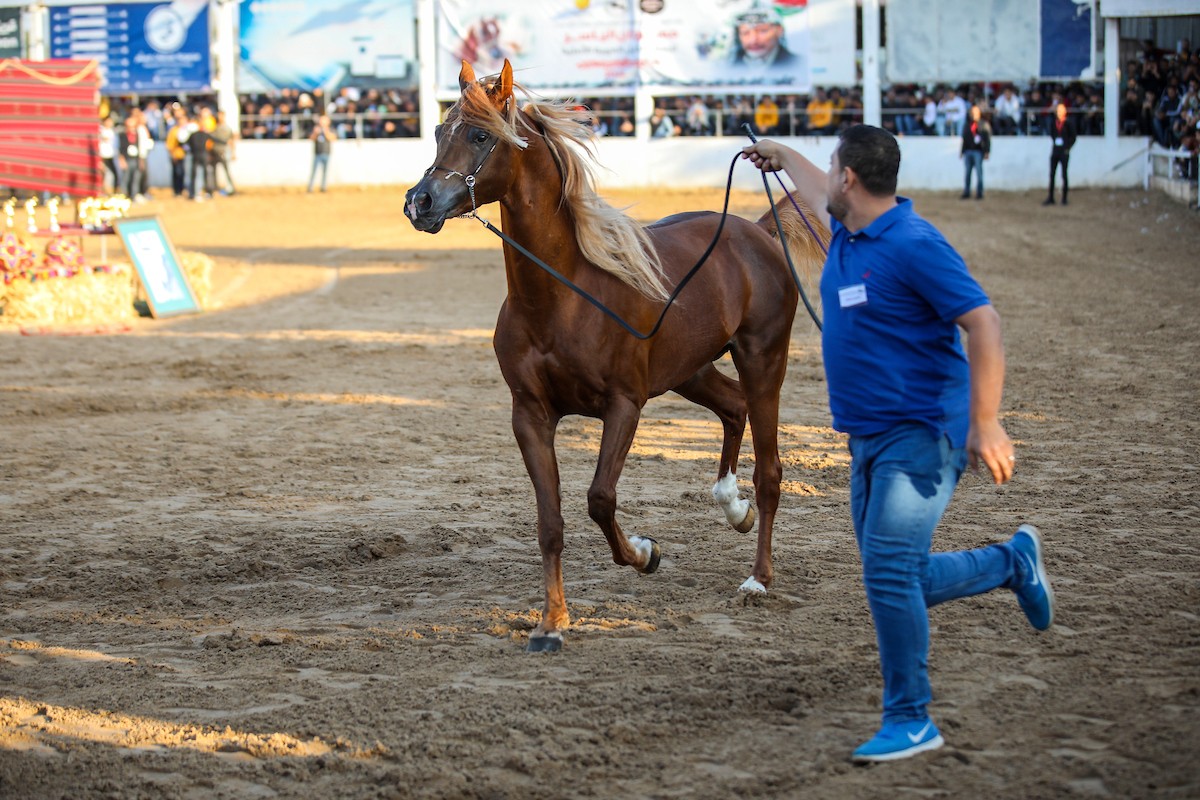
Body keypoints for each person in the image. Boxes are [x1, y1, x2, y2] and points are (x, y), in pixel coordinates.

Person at [741, 125, 1054, 764]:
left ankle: (910, 717)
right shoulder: (850, 236)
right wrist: (779, 154)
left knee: (887, 572)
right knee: (898, 575)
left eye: (831, 170)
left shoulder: (913, 244)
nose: (823, 179)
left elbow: (983, 321)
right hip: (868, 439)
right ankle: (1012, 562)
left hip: (925, 434)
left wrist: (986, 422)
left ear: (849, 180)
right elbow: (809, 187)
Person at [729, 2, 797, 67]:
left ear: (779, 31)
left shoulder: (796, 63)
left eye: (762, 31)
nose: (753, 40)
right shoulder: (728, 66)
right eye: (745, 33)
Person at [1044, 102, 1076, 206]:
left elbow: (1073, 137)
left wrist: (1068, 147)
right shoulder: (1054, 122)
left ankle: (1064, 198)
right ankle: (1051, 197)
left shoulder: (1068, 123)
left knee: (1064, 175)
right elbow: (1052, 134)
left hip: (1064, 152)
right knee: (1052, 174)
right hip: (1055, 150)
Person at [960, 104, 991, 200]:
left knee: (979, 173)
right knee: (967, 173)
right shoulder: (967, 125)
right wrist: (962, 151)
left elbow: (987, 139)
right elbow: (964, 139)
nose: (973, 114)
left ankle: (979, 193)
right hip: (968, 151)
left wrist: (987, 152)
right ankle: (967, 192)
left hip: (978, 151)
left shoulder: (984, 124)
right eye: (971, 113)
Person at [116, 115, 143, 200]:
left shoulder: (137, 135)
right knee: (125, 178)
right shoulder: (122, 135)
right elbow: (120, 149)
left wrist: (140, 160)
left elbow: (140, 147)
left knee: (136, 178)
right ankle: (123, 195)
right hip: (127, 159)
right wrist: (122, 160)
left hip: (135, 159)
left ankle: (134, 195)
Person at [211, 110, 237, 195]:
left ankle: (231, 188)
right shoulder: (214, 127)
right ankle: (214, 188)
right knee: (213, 170)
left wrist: (233, 153)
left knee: (226, 170)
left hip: (223, 151)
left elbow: (231, 141)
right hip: (214, 151)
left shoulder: (227, 128)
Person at [308, 113, 336, 192]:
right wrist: (316, 133)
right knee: (313, 172)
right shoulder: (316, 129)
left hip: (326, 153)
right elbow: (311, 138)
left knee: (325, 172)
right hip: (317, 153)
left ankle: (323, 187)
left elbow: (332, 138)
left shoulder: (330, 129)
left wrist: (326, 131)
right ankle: (310, 188)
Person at [98, 116, 119, 194]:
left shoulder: (113, 131)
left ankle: (114, 191)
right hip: (103, 156)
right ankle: (102, 191)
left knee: (114, 174)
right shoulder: (101, 130)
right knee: (103, 174)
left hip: (111, 155)